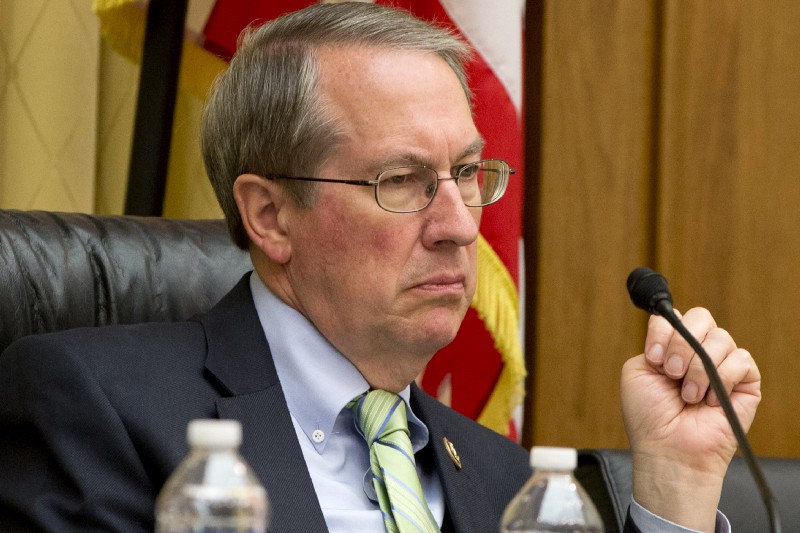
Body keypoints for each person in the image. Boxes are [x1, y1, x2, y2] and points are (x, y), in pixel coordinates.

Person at [0, 3, 760, 532]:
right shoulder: (100, 406)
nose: (461, 225)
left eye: (467, 174)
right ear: (270, 215)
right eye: (401, 181)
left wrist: (675, 491)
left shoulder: (502, 477)